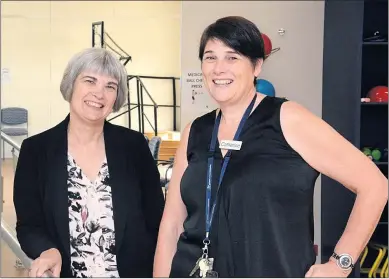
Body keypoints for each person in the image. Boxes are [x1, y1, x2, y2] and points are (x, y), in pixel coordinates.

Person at [153, 16, 388, 278]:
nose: (219, 68)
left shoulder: (288, 118)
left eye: (232, 57)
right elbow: (172, 225)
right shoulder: (195, 131)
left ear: (256, 66)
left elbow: (374, 185)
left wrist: (340, 264)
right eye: (210, 57)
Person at [13, 48, 165, 278]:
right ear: (71, 85)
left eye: (110, 86)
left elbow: (156, 219)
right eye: (90, 81)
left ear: (116, 98)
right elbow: (29, 225)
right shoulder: (36, 150)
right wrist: (48, 250)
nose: (99, 94)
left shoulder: (134, 146)